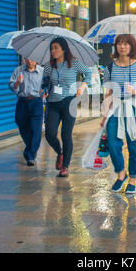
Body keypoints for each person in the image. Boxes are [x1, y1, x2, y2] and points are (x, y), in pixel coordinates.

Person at [99, 34, 136, 195]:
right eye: (119, 44)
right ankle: (121, 174)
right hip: (115, 107)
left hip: (134, 108)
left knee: (134, 145)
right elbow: (108, 92)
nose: (122, 47)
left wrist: (135, 91)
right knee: (114, 144)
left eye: (126, 44)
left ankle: (133, 180)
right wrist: (104, 116)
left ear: (132, 46)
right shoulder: (109, 67)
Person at [42, 37, 92, 177]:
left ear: (63, 49)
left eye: (56, 48)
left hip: (70, 102)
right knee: (50, 134)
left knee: (66, 134)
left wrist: (82, 86)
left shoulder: (74, 63)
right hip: (53, 103)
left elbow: (88, 73)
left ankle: (65, 166)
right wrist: (43, 88)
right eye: (51, 48)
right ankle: (60, 153)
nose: (53, 51)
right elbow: (45, 81)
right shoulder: (48, 66)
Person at [9, 58, 44, 166]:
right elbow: (11, 86)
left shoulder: (43, 72)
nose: (29, 61)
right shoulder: (18, 70)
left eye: (32, 59)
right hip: (22, 102)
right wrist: (17, 83)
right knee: (20, 123)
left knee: (36, 129)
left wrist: (45, 91)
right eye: (27, 59)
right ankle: (31, 148)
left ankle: (30, 155)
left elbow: (48, 86)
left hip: (37, 102)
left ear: (37, 59)